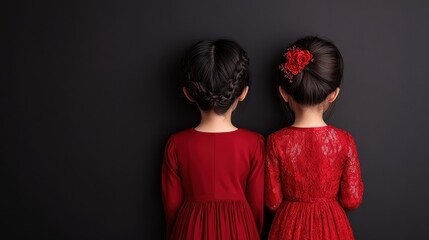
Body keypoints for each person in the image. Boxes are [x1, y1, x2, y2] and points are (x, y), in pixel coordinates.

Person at [162, 39, 264, 240]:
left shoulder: (176, 144)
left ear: (188, 94)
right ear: (243, 93)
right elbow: (257, 208)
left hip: (189, 230)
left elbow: (171, 208)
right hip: (240, 230)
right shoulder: (254, 143)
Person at [265, 36, 364, 240]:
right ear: (333, 94)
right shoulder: (344, 141)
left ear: (283, 93)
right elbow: (352, 199)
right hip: (332, 227)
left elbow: (273, 201)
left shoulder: (276, 141)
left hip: (289, 227)